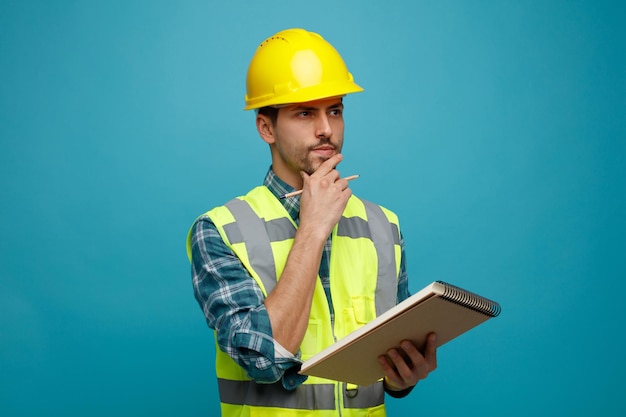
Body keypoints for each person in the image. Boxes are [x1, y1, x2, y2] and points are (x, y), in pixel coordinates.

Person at [187, 28, 437, 416]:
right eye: (305, 112)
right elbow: (265, 361)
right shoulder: (219, 231)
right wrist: (313, 228)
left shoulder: (384, 226)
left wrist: (400, 377)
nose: (326, 129)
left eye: (334, 110)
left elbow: (387, 356)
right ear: (266, 127)